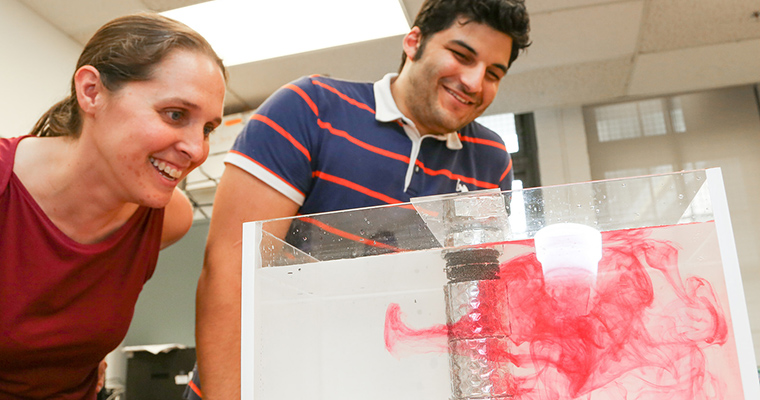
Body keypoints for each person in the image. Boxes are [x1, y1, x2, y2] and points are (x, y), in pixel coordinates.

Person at [192, 0, 530, 398]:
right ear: (414, 41)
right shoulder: (311, 108)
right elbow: (231, 273)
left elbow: (478, 302)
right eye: (461, 55)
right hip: (281, 379)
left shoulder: (491, 161)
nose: (474, 82)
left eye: (493, 73)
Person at [0, 13, 227, 399]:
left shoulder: (169, 217)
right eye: (175, 115)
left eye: (207, 129)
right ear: (91, 91)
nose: (198, 150)